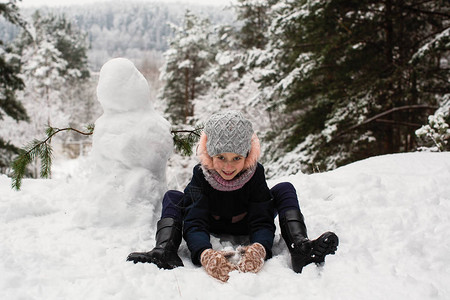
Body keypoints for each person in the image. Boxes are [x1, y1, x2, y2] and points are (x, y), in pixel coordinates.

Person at [127, 111, 338, 282]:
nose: (228, 167)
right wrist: (204, 253)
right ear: (210, 154)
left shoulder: (255, 174)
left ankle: (299, 247)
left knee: (284, 188)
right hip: (212, 222)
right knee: (174, 196)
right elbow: (194, 222)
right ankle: (165, 250)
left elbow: (262, 220)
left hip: (245, 222)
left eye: (236, 158)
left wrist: (260, 248)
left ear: (247, 155)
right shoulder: (201, 176)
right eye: (221, 157)